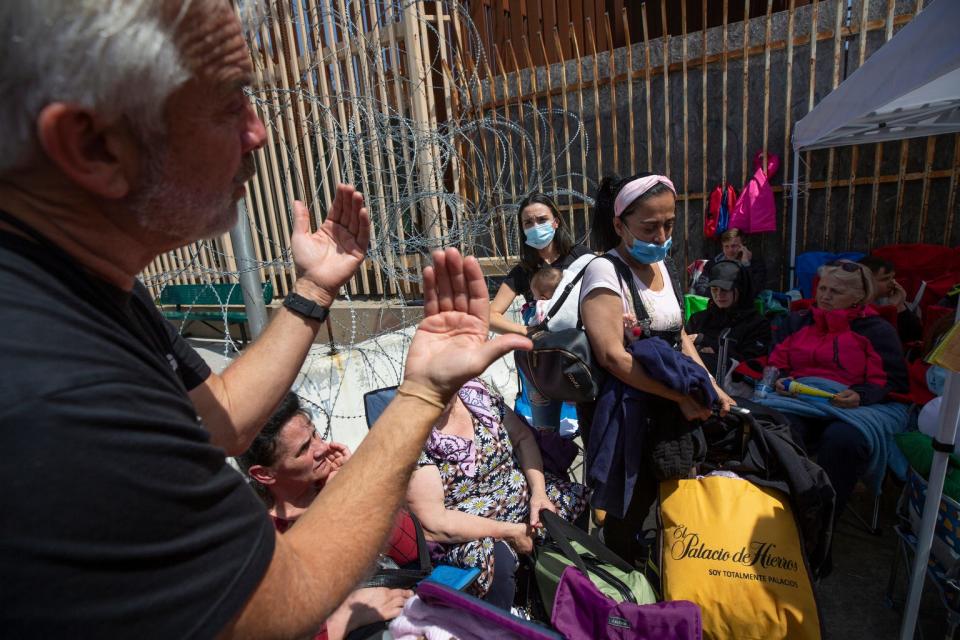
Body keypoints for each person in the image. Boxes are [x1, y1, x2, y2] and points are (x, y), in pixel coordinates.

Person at [0, 2, 531, 635]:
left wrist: (312, 292)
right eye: (230, 102)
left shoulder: (71, 283)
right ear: (93, 145)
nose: (259, 131)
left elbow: (216, 416)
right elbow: (274, 601)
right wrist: (421, 394)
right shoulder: (57, 394)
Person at [578, 172, 734, 562]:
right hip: (631, 410)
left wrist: (710, 385)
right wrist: (679, 396)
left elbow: (680, 336)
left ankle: (670, 571)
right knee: (630, 505)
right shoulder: (604, 272)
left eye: (668, 224)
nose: (661, 236)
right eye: (649, 227)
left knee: (677, 497)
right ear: (619, 225)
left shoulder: (663, 265)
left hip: (669, 405)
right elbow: (613, 356)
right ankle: (623, 580)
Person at [237, 392, 412, 640]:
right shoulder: (261, 539)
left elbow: (413, 552)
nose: (323, 447)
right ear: (265, 474)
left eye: (315, 434)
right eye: (304, 449)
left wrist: (355, 489)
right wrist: (343, 619)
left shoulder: (331, 483)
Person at [405, 379, 589, 609]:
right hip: (473, 532)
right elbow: (435, 522)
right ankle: (503, 625)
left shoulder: (477, 395)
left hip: (523, 500)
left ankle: (569, 600)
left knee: (573, 499)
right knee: (494, 562)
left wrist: (539, 494)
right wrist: (510, 532)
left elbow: (522, 438)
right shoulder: (413, 437)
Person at [763, 260, 909, 517]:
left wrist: (861, 395)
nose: (825, 296)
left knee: (843, 441)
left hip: (849, 405)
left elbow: (892, 379)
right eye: (823, 289)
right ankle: (782, 508)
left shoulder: (876, 330)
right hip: (799, 397)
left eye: (836, 292)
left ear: (859, 297)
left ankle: (822, 518)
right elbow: (776, 361)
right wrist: (781, 379)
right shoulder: (797, 322)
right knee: (780, 430)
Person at [489, 193, 591, 430]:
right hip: (542, 366)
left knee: (591, 429)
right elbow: (489, 316)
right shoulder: (523, 271)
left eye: (542, 220)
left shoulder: (582, 259)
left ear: (556, 221)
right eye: (528, 223)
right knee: (546, 433)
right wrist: (527, 330)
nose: (536, 227)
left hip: (580, 360)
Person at [685, 260, 771, 378]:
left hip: (734, 385)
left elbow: (752, 363)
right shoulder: (698, 319)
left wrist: (714, 349)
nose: (719, 295)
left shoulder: (757, 324)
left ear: (739, 289)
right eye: (714, 289)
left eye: (725, 289)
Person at [858, 255, 923, 344]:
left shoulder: (889, 299)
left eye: (892, 278)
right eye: (885, 279)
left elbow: (914, 337)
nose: (893, 283)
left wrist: (900, 307)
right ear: (865, 281)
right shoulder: (856, 305)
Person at [693, 227, 766, 298]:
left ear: (743, 246)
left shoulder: (756, 266)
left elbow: (753, 291)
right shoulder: (713, 264)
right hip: (715, 305)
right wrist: (719, 298)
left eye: (734, 246)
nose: (730, 250)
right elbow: (701, 288)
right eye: (726, 246)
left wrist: (746, 265)